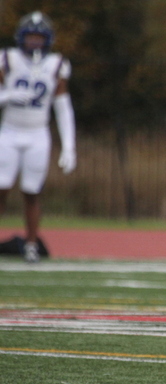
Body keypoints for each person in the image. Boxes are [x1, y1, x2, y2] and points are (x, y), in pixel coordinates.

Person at [0, 11, 75, 263]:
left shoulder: (56, 64)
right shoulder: (7, 59)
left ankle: (31, 244)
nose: (34, 42)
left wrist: (69, 147)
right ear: (21, 37)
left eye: (38, 38)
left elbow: (63, 107)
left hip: (37, 132)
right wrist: (7, 96)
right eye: (30, 37)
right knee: (1, 187)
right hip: (9, 131)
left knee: (32, 190)